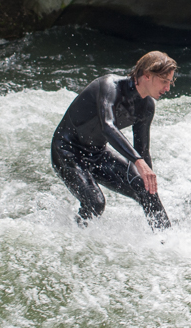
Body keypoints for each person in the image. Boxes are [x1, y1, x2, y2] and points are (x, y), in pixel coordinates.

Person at [51, 51, 177, 229]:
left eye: (170, 82)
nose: (167, 88)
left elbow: (142, 150)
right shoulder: (110, 86)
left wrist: (149, 182)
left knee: (147, 192)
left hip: (98, 154)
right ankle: (74, 238)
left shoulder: (146, 107)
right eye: (164, 81)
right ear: (147, 75)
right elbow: (108, 127)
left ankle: (167, 243)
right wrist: (138, 162)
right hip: (67, 150)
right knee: (95, 202)